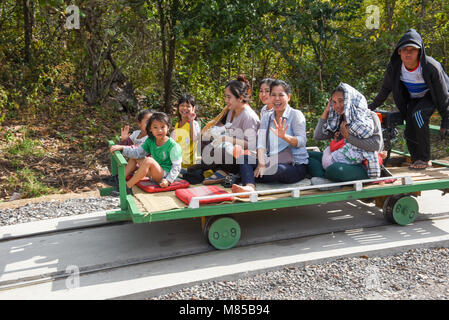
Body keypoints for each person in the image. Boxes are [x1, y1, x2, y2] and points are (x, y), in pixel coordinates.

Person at [369, 28, 449, 170]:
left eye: (413, 50)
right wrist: (369, 108)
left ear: (420, 51)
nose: (408, 53)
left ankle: (424, 158)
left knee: (418, 114)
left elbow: (443, 95)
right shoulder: (395, 67)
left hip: (432, 96)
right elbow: (385, 90)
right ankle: (416, 158)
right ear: (399, 51)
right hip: (413, 98)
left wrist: (446, 121)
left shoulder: (431, 67)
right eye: (405, 49)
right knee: (410, 121)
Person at [231, 80, 308, 194]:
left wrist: (285, 136)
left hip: (294, 166)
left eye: (281, 95)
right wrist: (261, 164)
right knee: (244, 158)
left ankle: (245, 175)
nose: (277, 99)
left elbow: (302, 141)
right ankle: (250, 186)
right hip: (270, 161)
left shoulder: (295, 115)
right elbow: (261, 143)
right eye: (273, 95)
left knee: (278, 169)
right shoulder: (267, 117)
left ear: (289, 97)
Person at [309, 83, 383, 182]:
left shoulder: (369, 116)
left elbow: (376, 146)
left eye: (341, 101)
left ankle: (324, 177)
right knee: (306, 155)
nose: (337, 106)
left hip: (362, 165)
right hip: (339, 159)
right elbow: (318, 136)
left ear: (350, 99)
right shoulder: (338, 118)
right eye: (334, 102)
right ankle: (326, 179)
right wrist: (327, 111)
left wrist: (348, 137)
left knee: (336, 169)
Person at [199, 74, 260, 184]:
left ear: (240, 98)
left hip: (241, 157)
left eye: (229, 97)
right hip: (227, 148)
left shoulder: (249, 116)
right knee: (203, 139)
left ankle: (222, 170)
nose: (226, 100)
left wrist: (227, 139)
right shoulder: (231, 110)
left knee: (219, 152)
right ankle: (217, 168)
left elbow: (251, 145)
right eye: (225, 97)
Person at [109, 112, 182, 195]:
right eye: (155, 127)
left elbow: (177, 167)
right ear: (150, 129)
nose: (159, 130)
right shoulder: (150, 140)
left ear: (168, 127)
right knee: (135, 157)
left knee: (148, 160)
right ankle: (119, 180)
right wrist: (122, 148)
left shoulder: (173, 146)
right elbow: (137, 153)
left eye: (163, 127)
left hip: (164, 176)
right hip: (154, 173)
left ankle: (127, 187)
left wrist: (168, 180)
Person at [171, 94, 201, 172]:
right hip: (176, 162)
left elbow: (194, 139)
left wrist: (191, 121)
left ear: (193, 108)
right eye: (182, 105)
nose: (184, 108)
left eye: (188, 106)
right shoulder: (177, 124)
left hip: (188, 165)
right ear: (178, 107)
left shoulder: (194, 124)